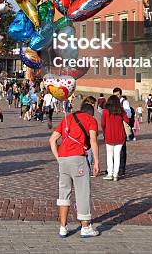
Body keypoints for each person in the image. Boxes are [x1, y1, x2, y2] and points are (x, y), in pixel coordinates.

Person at [49, 102, 100, 238]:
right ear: (90, 112)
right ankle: (85, 227)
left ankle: (63, 227)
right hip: (78, 159)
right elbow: (93, 141)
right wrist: (96, 161)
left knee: (63, 194)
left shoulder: (67, 118)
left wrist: (58, 158)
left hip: (63, 159)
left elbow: (52, 139)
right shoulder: (91, 120)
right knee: (82, 192)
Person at [101, 95, 130, 181]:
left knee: (109, 156)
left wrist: (104, 132)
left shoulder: (106, 111)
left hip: (109, 135)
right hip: (120, 136)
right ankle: (115, 174)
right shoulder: (121, 111)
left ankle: (110, 173)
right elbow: (127, 121)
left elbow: (103, 124)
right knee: (117, 155)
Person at [112, 87, 129, 177]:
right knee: (113, 149)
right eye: (115, 95)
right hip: (114, 128)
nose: (117, 97)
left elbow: (128, 115)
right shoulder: (112, 103)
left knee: (122, 150)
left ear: (121, 94)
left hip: (122, 128)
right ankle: (113, 168)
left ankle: (122, 169)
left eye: (118, 95)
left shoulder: (124, 102)